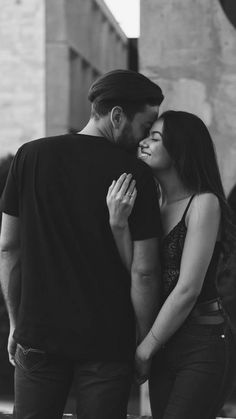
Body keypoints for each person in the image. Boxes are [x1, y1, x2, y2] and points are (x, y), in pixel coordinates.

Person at [0, 69, 164, 419]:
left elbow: (8, 247)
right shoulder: (137, 175)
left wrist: (16, 321)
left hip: (38, 334)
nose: (145, 136)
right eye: (144, 125)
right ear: (117, 115)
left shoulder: (29, 157)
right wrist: (145, 341)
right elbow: (145, 271)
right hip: (108, 342)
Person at [106, 110, 236, 419]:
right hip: (165, 341)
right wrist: (118, 225)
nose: (143, 143)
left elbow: (187, 289)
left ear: (180, 148)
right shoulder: (153, 203)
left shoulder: (204, 203)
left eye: (155, 137)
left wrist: (145, 348)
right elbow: (138, 272)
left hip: (202, 342)